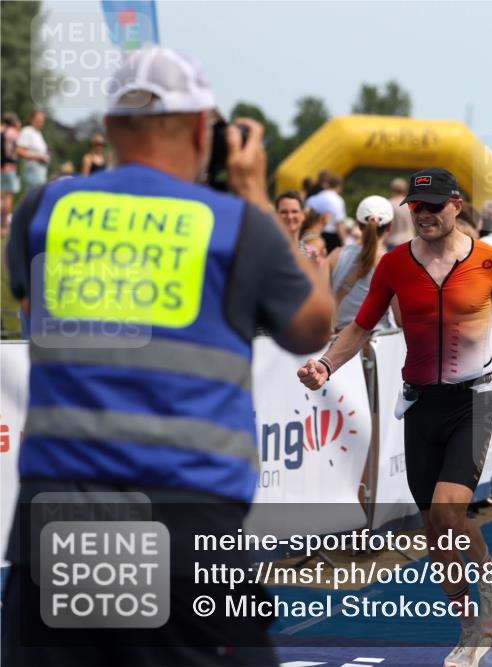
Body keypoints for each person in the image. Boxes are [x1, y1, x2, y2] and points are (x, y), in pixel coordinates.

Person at [1, 45, 333, 666]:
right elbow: (313, 325)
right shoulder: (237, 225)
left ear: (109, 127)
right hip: (186, 531)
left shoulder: (42, 212)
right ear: (204, 130)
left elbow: (34, 303)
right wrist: (254, 193)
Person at [297, 167, 492, 667]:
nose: (423, 214)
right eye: (416, 207)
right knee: (436, 532)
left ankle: (487, 576)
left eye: (433, 205)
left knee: (448, 512)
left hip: (474, 401)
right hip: (421, 404)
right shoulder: (395, 264)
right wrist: (325, 364)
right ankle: (470, 627)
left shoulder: (489, 259)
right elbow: (360, 328)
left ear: (456, 206)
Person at [328, 195, 401, 332]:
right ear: (390, 226)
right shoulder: (392, 263)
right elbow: (400, 319)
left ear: (359, 224)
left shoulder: (335, 255)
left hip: (339, 338)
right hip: (377, 340)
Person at [305, 170, 347, 251]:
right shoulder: (338, 200)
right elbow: (339, 223)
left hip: (312, 234)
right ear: (339, 186)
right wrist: (344, 243)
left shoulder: (313, 198)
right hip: (331, 238)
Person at [16, 110, 48, 190]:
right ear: (31, 119)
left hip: (40, 169)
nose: (40, 123)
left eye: (42, 121)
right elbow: (19, 150)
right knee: (34, 194)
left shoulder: (38, 133)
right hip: (33, 170)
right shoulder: (27, 131)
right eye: (38, 120)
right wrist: (37, 157)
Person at [1, 112, 21, 227]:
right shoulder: (14, 133)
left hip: (1, 166)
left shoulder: (1, 130)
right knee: (8, 196)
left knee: (1, 196)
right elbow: (18, 149)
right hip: (10, 166)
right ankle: (4, 225)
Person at [386, 176, 414, 249]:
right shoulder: (411, 203)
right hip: (410, 242)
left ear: (392, 189)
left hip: (393, 242)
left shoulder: (389, 204)